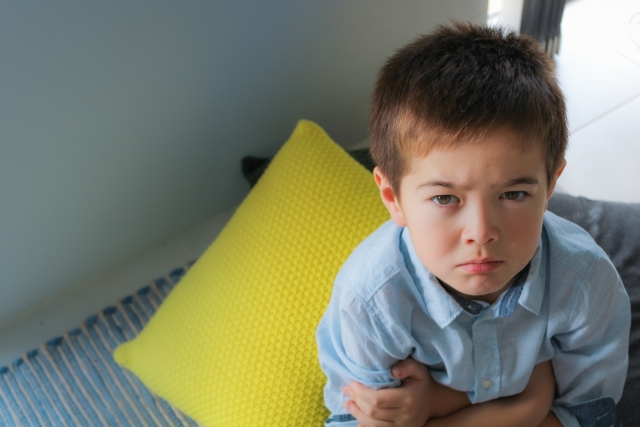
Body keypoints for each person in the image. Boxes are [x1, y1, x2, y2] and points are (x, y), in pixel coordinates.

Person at [315, 22, 630, 427]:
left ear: (551, 184)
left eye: (513, 194)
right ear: (393, 199)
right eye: (445, 198)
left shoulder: (585, 282)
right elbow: (352, 418)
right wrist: (531, 402)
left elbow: (589, 415)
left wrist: (438, 410)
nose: (481, 233)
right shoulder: (370, 302)